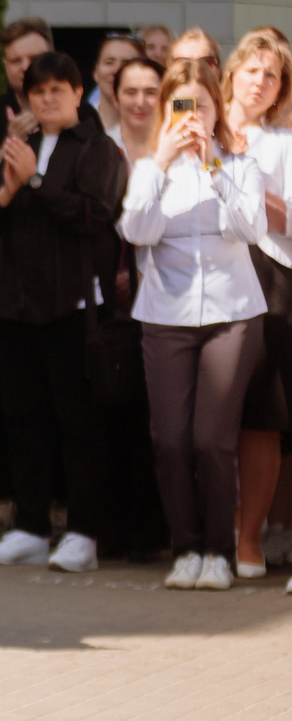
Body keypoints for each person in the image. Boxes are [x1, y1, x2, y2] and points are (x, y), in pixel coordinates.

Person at [0, 49, 126, 574]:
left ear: (79, 94)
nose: (48, 98)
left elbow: (95, 215)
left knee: (79, 424)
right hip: (15, 302)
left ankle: (84, 532)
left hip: (72, 306)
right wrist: (11, 188)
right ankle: (31, 527)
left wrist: (35, 181)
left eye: (58, 89)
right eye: (38, 92)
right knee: (23, 421)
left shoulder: (98, 147)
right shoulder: (22, 144)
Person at [122, 52, 269, 590]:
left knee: (212, 439)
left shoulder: (239, 165)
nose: (191, 118)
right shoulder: (150, 170)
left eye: (201, 107)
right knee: (169, 440)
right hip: (165, 314)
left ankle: (219, 553)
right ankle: (186, 548)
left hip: (232, 314)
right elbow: (136, 231)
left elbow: (250, 229)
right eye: (180, 107)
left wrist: (213, 167)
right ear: (166, 112)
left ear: (217, 111)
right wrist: (158, 163)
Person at [219, 30, 292, 576]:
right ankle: (203, 529)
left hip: (268, 278)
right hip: (198, 277)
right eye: (252, 70)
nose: (260, 82)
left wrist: (252, 189)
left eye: (272, 76)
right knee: (204, 413)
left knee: (261, 412)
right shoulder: (194, 128)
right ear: (232, 74)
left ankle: (249, 537)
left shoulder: (283, 145)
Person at [96, 52, 170, 564]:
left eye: (151, 92)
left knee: (159, 422)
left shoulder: (179, 150)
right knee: (112, 415)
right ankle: (112, 527)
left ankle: (155, 529)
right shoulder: (101, 152)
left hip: (172, 302)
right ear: (114, 95)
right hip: (111, 304)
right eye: (131, 92)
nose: (140, 101)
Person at [0, 17, 60, 151]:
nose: (26, 67)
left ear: (54, 60)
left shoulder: (81, 114)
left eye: (34, 58)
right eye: (16, 61)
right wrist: (9, 145)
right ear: (6, 66)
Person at [89, 31, 147, 121]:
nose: (116, 71)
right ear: (96, 72)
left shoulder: (157, 123)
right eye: (109, 62)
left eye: (126, 64)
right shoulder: (78, 122)